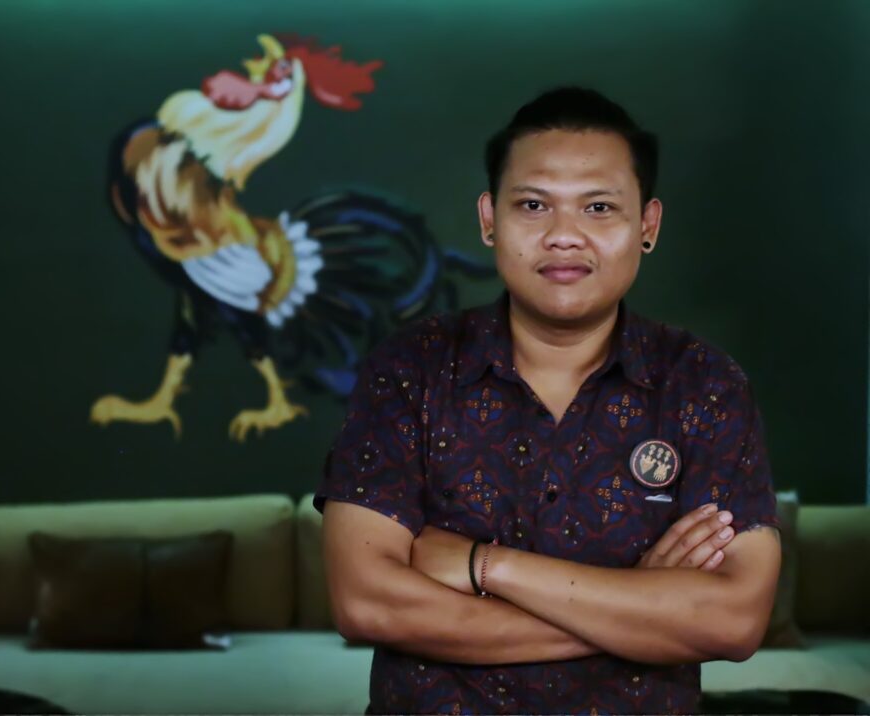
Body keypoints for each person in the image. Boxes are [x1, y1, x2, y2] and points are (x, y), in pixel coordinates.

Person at [313, 86, 782, 715]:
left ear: (647, 225)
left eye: (598, 208)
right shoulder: (411, 369)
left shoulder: (703, 385)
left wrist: (486, 566)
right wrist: (638, 609)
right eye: (533, 204)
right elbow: (366, 602)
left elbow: (731, 621)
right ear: (489, 218)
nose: (564, 236)